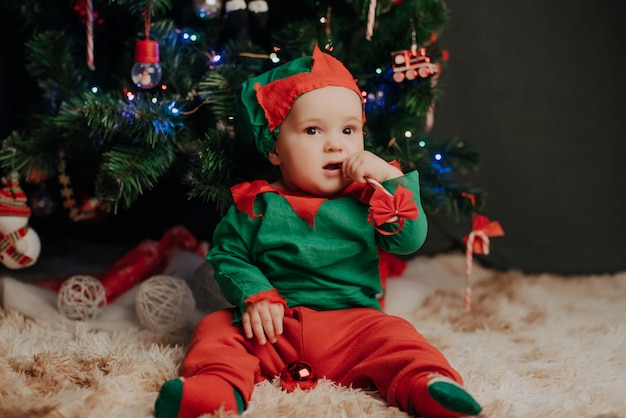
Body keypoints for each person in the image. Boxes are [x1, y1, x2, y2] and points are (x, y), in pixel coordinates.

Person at [155, 45, 482, 418]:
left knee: (397, 336)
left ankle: (426, 385)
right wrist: (256, 296)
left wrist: (391, 179)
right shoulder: (256, 204)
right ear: (275, 147)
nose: (335, 144)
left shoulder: (369, 197)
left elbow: (408, 239)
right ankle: (218, 387)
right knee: (216, 327)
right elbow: (228, 255)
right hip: (276, 328)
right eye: (312, 130)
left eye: (348, 129)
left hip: (354, 327)